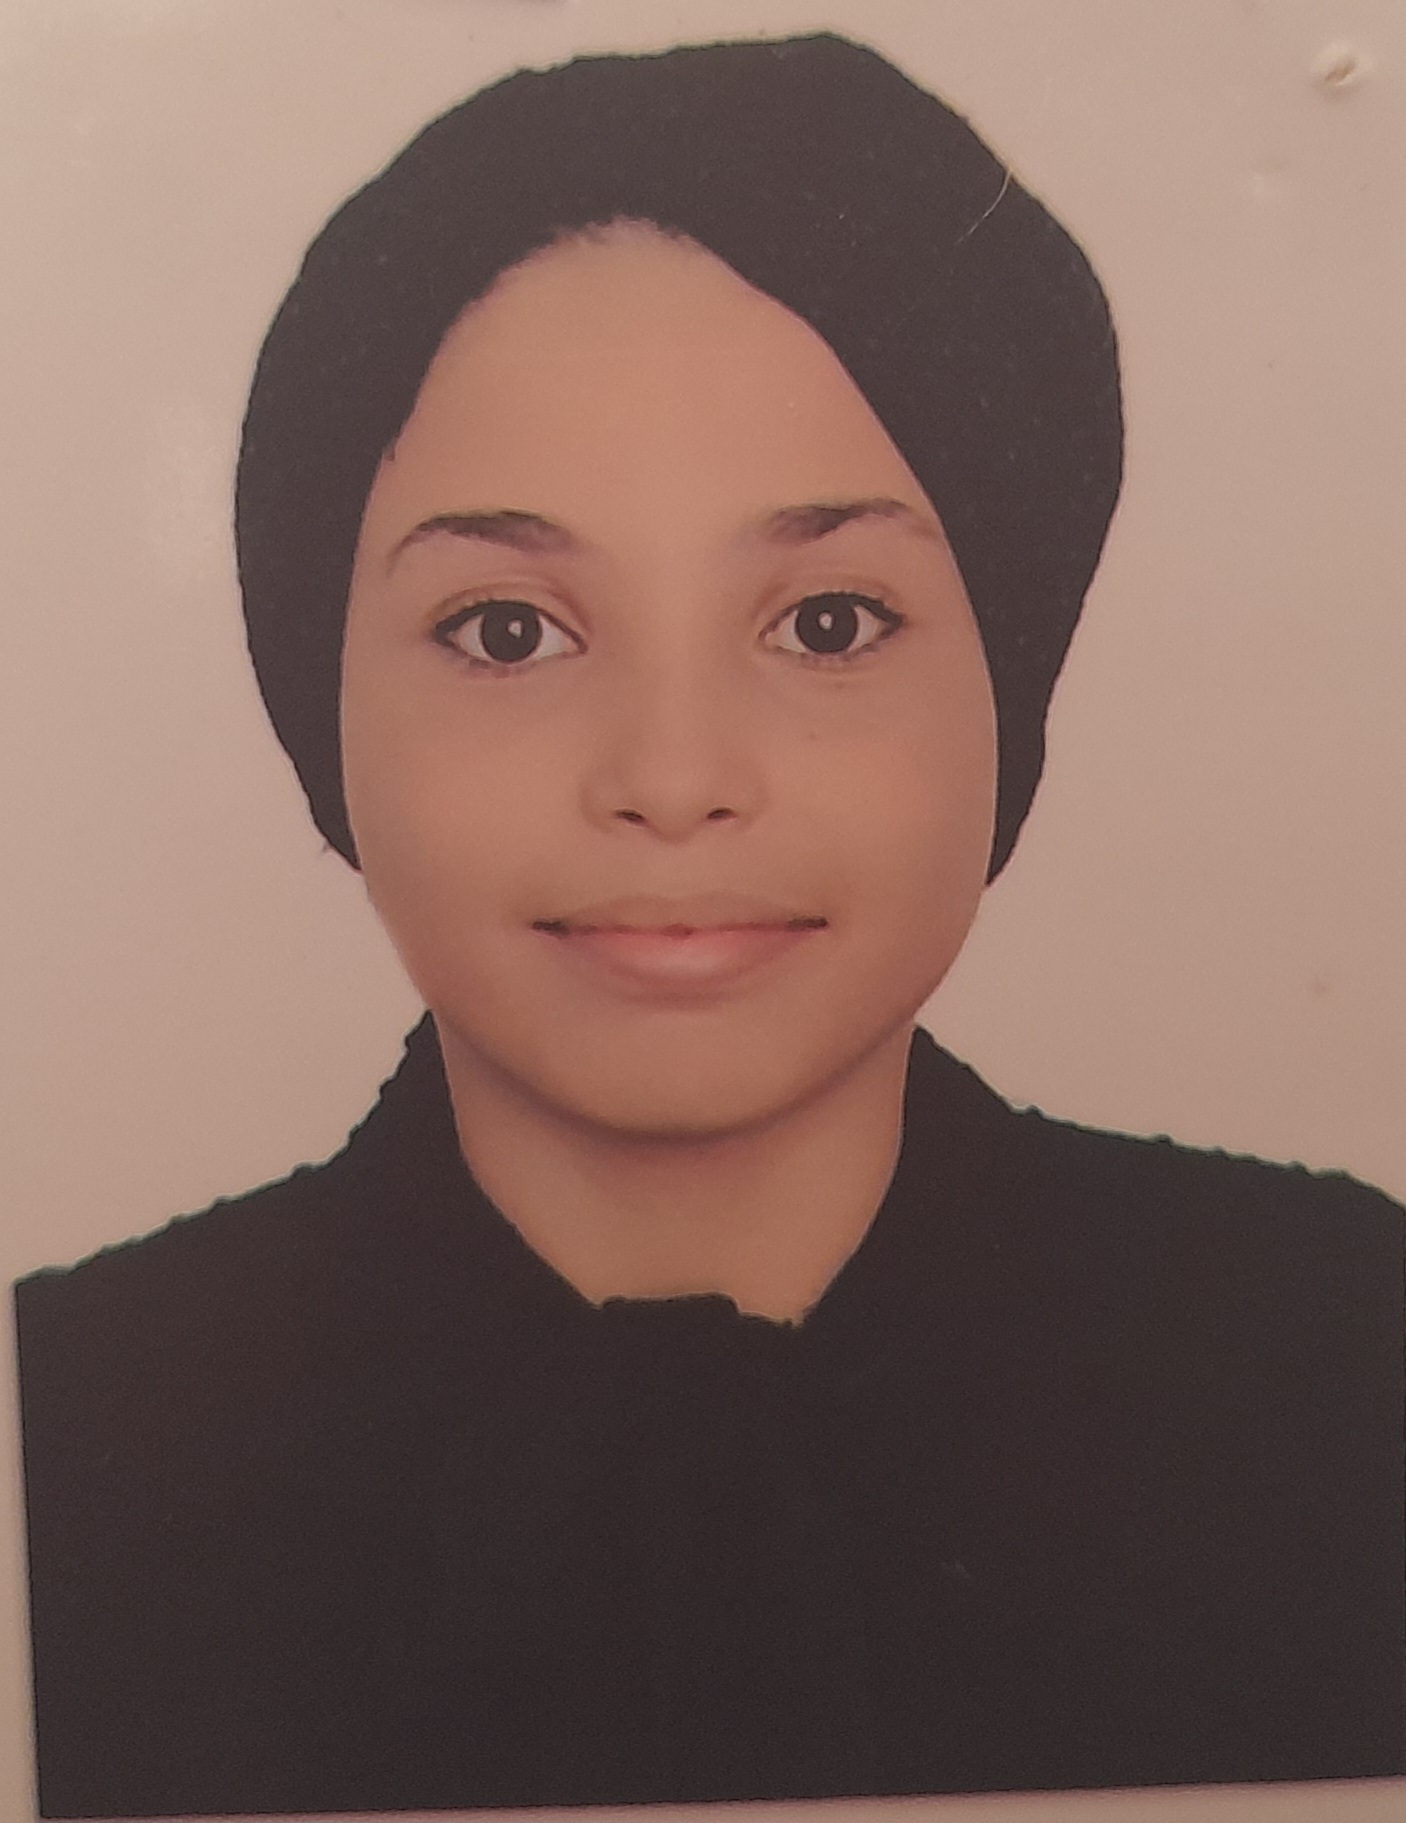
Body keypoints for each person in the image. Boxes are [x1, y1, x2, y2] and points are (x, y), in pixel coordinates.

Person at [14, 32, 1403, 1819]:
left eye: (827, 623)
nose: (672, 781)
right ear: (320, 708)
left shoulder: (1338, 1352)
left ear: (1013, 687)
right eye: (507, 632)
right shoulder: (62, 1426)